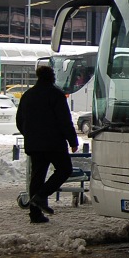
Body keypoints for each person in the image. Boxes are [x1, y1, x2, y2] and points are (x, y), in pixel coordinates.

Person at [16, 64, 79, 223]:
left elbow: (19, 121)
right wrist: (72, 140)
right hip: (54, 144)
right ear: (52, 77)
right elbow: (65, 121)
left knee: (37, 176)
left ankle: (35, 215)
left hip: (34, 144)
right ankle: (42, 196)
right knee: (65, 169)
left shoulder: (28, 95)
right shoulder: (56, 95)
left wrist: (30, 135)